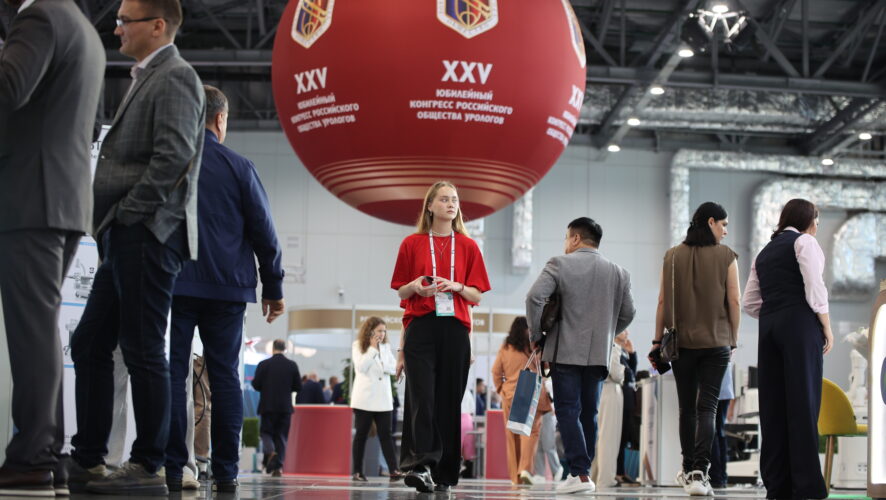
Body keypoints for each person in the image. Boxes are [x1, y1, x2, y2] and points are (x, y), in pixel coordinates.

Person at [69, 0, 205, 495]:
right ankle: (89, 458)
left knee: (143, 348)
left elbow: (174, 157)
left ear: (158, 25)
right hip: (125, 233)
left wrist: (129, 213)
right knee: (90, 342)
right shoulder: (150, 76)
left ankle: (149, 466)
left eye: (125, 20)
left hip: (148, 232)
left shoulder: (176, 76)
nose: (117, 27)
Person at [0, 0, 104, 494]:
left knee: (33, 332)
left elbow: (9, 90)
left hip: (32, 196)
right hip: (62, 199)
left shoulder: (39, 17)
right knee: (40, 328)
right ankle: (51, 455)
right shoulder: (82, 28)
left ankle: (32, 457)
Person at [165, 85, 285, 493]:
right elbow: (265, 231)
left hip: (175, 283)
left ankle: (175, 466)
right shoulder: (239, 167)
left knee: (174, 374)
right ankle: (226, 471)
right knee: (225, 378)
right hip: (228, 290)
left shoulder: (169, 163)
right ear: (220, 119)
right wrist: (273, 287)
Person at [390, 181, 491, 494]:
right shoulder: (412, 243)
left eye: (455, 200)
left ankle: (445, 471)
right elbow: (401, 293)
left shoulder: (469, 246)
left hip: (455, 329)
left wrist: (457, 286)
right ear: (430, 206)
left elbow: (477, 296)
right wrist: (415, 286)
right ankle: (421, 465)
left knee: (449, 400)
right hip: (421, 326)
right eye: (444, 199)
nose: (451, 204)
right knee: (422, 397)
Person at [526, 217, 635, 495]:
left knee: (567, 410)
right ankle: (582, 472)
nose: (565, 243)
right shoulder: (619, 273)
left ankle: (580, 473)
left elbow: (534, 298)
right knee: (589, 413)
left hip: (564, 351)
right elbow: (628, 313)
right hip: (598, 354)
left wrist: (537, 335)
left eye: (566, 238)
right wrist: (606, 333)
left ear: (575, 238)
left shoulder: (558, 264)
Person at [742, 198, 833, 500]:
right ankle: (806, 487)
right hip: (799, 324)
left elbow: (749, 303)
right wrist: (826, 326)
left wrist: (775, 311)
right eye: (816, 220)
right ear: (807, 219)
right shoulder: (804, 242)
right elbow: (814, 287)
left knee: (773, 407)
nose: (817, 226)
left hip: (769, 328)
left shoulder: (764, 253)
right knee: (803, 403)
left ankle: (777, 486)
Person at [648, 201, 740, 496]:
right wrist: (733, 337)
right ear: (711, 222)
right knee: (708, 408)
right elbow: (734, 301)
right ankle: (702, 472)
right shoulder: (727, 256)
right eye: (723, 225)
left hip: (682, 344)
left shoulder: (672, 256)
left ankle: (688, 471)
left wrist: (656, 341)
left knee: (686, 409)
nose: (725, 231)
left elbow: (662, 301)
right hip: (717, 343)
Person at [491, 316, 552, 485]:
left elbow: (496, 372)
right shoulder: (535, 347)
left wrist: (502, 389)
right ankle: (525, 469)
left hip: (510, 395)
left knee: (512, 435)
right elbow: (547, 367)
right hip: (531, 393)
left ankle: (515, 478)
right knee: (530, 432)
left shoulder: (506, 347)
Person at [349, 317, 402, 482]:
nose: (382, 334)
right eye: (379, 330)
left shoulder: (385, 347)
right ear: (370, 331)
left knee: (386, 435)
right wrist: (372, 349)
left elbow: (393, 367)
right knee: (361, 435)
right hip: (365, 399)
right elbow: (361, 367)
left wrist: (385, 365)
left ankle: (393, 470)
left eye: (384, 331)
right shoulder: (358, 345)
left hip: (383, 399)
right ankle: (357, 472)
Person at [252, 339, 302, 477]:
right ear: (285, 349)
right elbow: (298, 386)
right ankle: (278, 468)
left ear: (273, 348)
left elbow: (255, 384)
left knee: (266, 433)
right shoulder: (292, 365)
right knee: (281, 436)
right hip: (285, 407)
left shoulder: (264, 364)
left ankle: (270, 451)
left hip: (267, 405)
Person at [591, 331, 627, 489]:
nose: (627, 333)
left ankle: (595, 476)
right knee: (609, 438)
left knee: (599, 438)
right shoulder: (613, 346)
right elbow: (617, 374)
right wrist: (623, 370)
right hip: (611, 390)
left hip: (599, 390)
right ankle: (606, 478)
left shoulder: (597, 341)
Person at [615, 331, 639, 485]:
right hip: (621, 394)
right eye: (624, 330)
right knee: (619, 434)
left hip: (628, 396)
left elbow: (633, 374)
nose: (627, 333)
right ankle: (617, 471)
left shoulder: (623, 352)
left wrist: (632, 354)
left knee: (625, 435)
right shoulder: (613, 350)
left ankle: (620, 471)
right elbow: (625, 375)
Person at [709, 361, 734, 489]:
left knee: (712, 431)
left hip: (711, 385)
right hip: (724, 385)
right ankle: (721, 476)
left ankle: (715, 477)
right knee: (719, 431)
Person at [533, 379, 563, 482]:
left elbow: (554, 399)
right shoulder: (538, 381)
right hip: (538, 413)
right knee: (539, 445)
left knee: (548, 444)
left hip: (548, 413)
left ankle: (557, 468)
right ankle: (540, 473)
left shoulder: (549, 383)